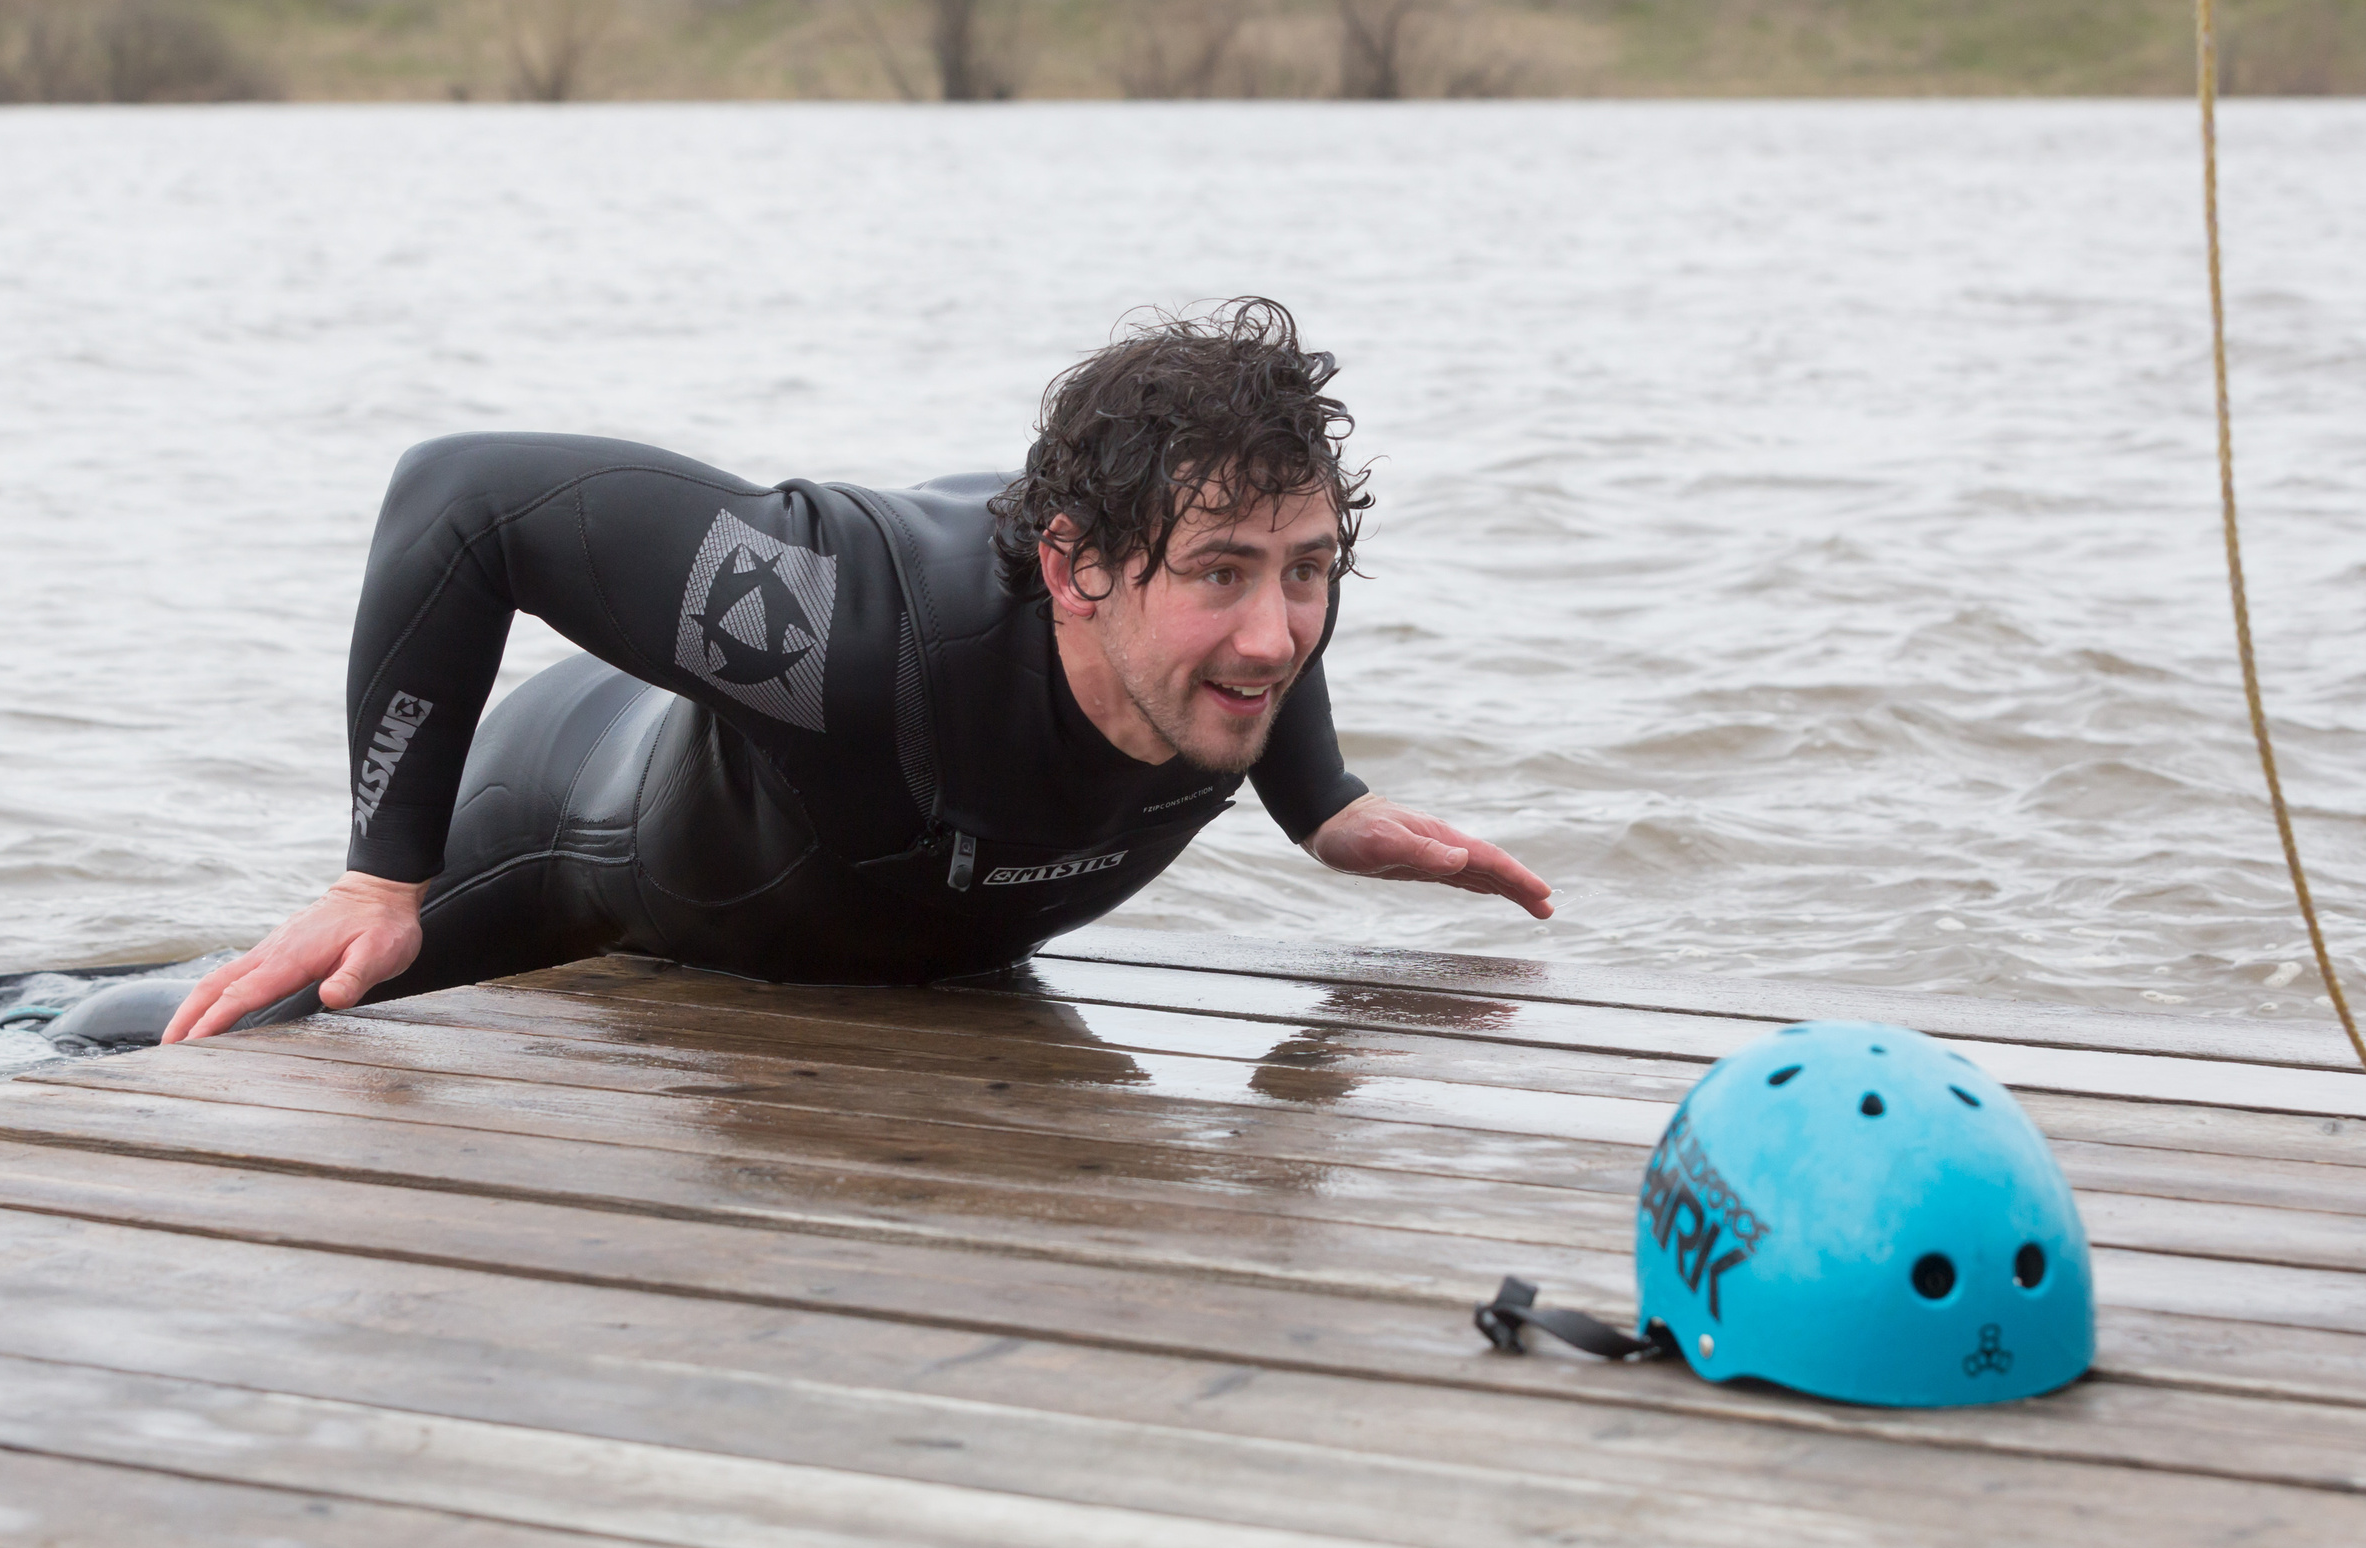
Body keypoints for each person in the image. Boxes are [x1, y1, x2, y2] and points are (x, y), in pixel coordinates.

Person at [164, 299, 1551, 1044]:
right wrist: (380, 875)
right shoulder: (846, 619)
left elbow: (1257, 607)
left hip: (884, 951)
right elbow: (460, 501)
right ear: (1074, 571)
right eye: (1219, 574)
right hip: (569, 832)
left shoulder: (1244, 616)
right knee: (248, 1023)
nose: (1274, 630)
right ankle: (41, 1017)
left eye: (1308, 570)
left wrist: (1322, 803)